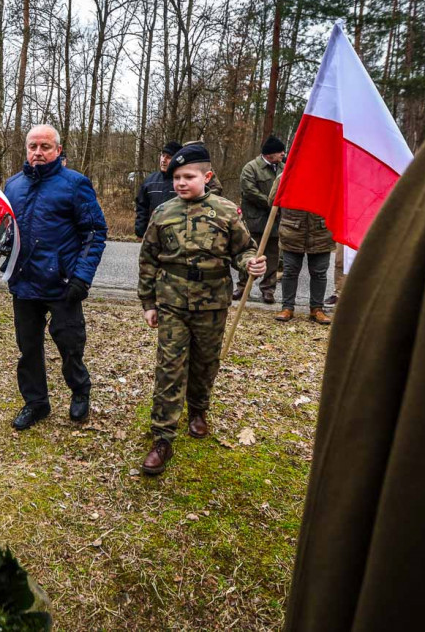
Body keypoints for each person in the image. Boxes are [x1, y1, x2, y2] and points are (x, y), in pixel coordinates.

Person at [282, 97, 425, 632]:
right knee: (294, 276)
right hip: (291, 237)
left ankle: (313, 306)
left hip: (318, 238)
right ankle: (292, 305)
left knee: (318, 280)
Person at [137, 144, 266, 475]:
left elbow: (243, 250)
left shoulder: (225, 212)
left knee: (206, 361)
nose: (181, 182)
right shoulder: (163, 213)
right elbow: (148, 258)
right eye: (176, 177)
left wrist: (250, 263)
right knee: (169, 367)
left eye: (189, 176)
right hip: (172, 303)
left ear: (207, 177)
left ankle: (198, 410)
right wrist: (148, 303)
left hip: (212, 303)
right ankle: (162, 437)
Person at [4, 124, 107, 431]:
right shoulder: (13, 185)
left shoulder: (75, 184)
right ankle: (36, 403)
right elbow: (6, 231)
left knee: (70, 343)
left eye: (45, 147)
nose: (38, 152)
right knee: (28, 347)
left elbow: (94, 232)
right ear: (26, 149)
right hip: (24, 282)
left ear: (58, 151)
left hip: (62, 284)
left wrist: (82, 277)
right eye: (32, 146)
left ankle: (79, 391)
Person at [269, 174, 333, 324]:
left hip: (321, 231)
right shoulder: (285, 176)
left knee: (319, 273)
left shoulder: (328, 176)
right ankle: (287, 307)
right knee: (290, 271)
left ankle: (317, 309)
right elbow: (273, 201)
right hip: (292, 231)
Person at [234, 136, 284, 303]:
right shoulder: (251, 168)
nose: (283, 154)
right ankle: (242, 287)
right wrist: (272, 203)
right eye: (280, 151)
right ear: (269, 154)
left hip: (276, 222)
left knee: (272, 256)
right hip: (255, 220)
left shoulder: (284, 168)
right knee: (250, 254)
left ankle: (268, 290)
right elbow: (249, 191)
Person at [134, 140, 182, 238]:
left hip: (178, 236)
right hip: (153, 236)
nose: (163, 160)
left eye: (168, 157)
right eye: (162, 155)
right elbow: (142, 207)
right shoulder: (150, 180)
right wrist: (141, 231)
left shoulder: (183, 182)